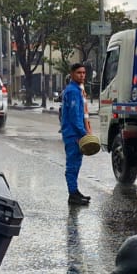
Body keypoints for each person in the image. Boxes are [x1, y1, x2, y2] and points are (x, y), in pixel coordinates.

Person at [59, 62, 91, 206]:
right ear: (72, 74)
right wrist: (83, 134)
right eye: (79, 73)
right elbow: (74, 116)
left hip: (76, 133)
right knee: (72, 165)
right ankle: (72, 195)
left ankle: (75, 191)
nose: (82, 75)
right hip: (73, 134)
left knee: (77, 164)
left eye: (84, 73)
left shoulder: (77, 90)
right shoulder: (72, 91)